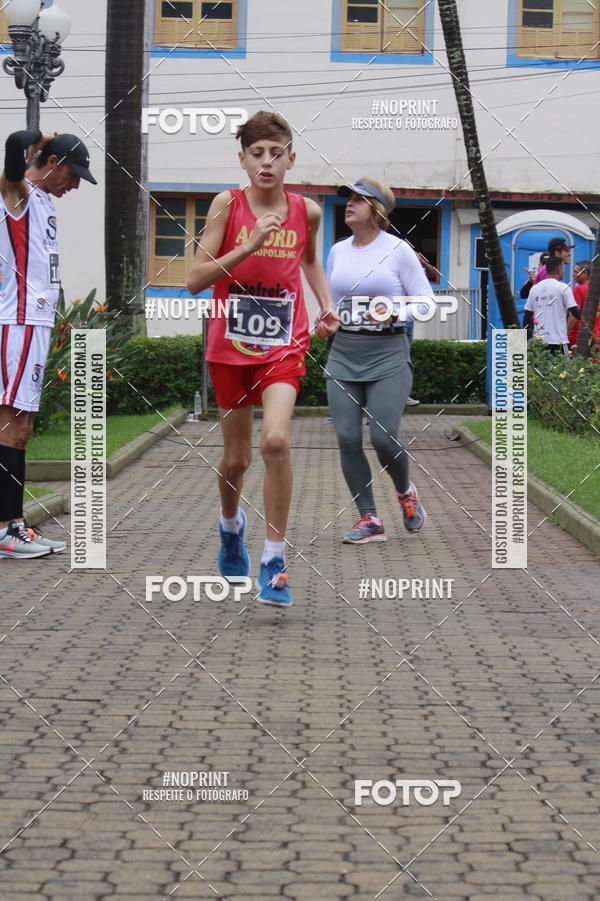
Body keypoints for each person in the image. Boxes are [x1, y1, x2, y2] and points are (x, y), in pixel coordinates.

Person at [187, 111, 338, 608]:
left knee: (275, 440)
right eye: (257, 154)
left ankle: (274, 559)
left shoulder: (307, 212)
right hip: (230, 348)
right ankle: (231, 528)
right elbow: (194, 278)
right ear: (243, 160)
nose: (267, 162)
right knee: (237, 459)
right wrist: (248, 244)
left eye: (276, 153)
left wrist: (326, 303)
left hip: (284, 343)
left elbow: (310, 260)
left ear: (291, 158)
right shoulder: (225, 206)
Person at [318, 177, 435, 544]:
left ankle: (406, 494)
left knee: (383, 439)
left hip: (387, 355)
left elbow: (427, 302)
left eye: (358, 200)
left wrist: (395, 312)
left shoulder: (398, 250)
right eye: (348, 199)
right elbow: (331, 302)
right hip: (344, 354)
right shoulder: (337, 250)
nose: (349, 204)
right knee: (348, 437)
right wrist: (323, 320)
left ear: (377, 210)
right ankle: (369, 518)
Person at [0, 130, 97, 559]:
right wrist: (37, 137)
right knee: (11, 425)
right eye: (72, 174)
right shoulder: (17, 193)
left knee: (21, 428)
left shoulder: (44, 203)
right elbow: (10, 151)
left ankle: (15, 525)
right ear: (52, 160)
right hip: (16, 322)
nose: (74, 184)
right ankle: (7, 529)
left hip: (35, 324)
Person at [523, 255, 580, 355]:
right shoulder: (564, 288)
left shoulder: (534, 289)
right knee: (564, 369)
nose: (564, 271)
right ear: (558, 269)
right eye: (563, 268)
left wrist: (527, 340)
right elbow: (575, 313)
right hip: (561, 341)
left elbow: (527, 317)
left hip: (539, 342)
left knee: (541, 369)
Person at [567, 259, 590, 347]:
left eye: (576, 272)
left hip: (576, 336)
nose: (573, 275)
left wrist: (565, 333)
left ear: (585, 273)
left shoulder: (578, 289)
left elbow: (573, 315)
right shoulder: (595, 290)